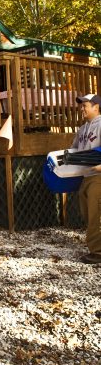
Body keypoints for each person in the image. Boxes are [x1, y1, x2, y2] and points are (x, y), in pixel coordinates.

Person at [71, 93, 101, 264]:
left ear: (96, 107)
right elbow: (74, 150)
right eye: (81, 105)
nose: (82, 108)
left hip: (99, 175)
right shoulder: (82, 129)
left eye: (85, 105)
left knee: (95, 214)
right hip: (86, 176)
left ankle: (97, 253)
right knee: (87, 214)